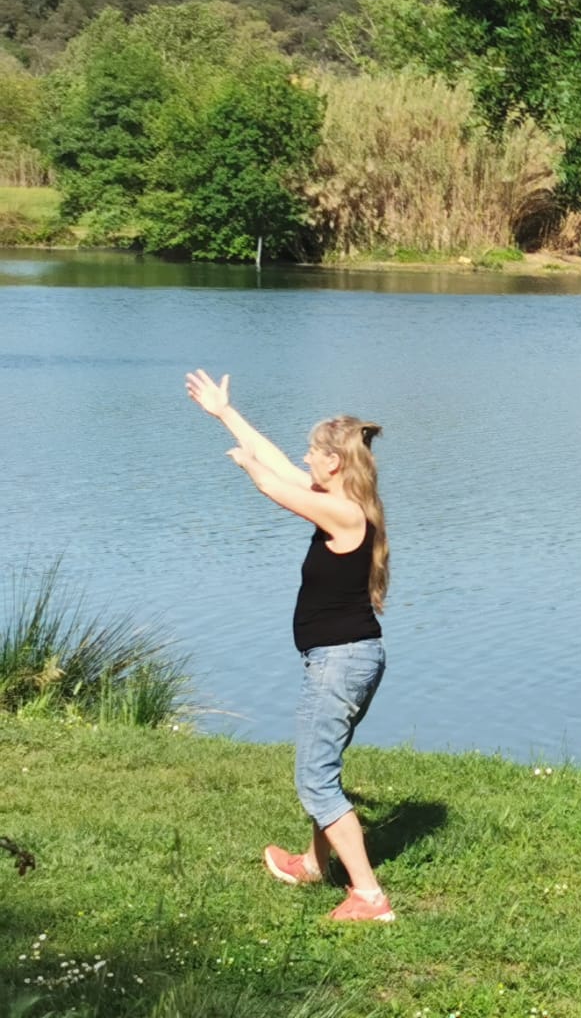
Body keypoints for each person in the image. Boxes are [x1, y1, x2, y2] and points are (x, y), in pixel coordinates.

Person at [186, 368, 395, 923]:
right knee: (323, 769)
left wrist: (248, 465)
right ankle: (312, 863)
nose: (305, 459)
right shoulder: (344, 500)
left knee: (314, 778)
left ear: (335, 461)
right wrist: (225, 413)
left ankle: (370, 897)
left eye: (312, 453)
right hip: (347, 658)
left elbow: (274, 484)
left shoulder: (344, 513)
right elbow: (281, 465)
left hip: (340, 662)